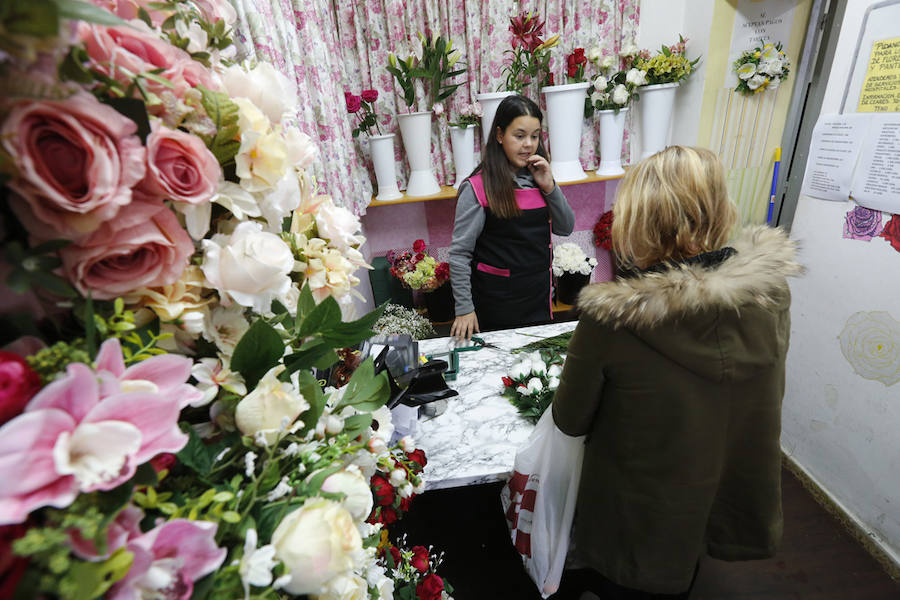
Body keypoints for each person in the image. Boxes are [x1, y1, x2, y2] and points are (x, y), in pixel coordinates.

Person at [550, 146, 803, 599]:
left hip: (639, 513)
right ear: (719, 208)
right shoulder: (771, 296)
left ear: (639, 221)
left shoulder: (614, 319)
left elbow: (570, 419)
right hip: (716, 490)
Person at [449, 94, 575, 340]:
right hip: (495, 305)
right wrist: (464, 309)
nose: (528, 144)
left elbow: (565, 227)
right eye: (519, 136)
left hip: (538, 301)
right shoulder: (476, 187)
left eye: (535, 136)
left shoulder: (540, 179)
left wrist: (549, 186)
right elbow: (459, 254)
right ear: (499, 135)